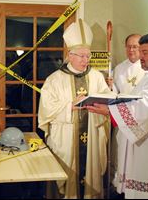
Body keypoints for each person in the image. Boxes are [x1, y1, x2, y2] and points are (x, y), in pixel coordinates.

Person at [87, 32, 148, 199]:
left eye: (145, 52)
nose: (140, 56)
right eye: (139, 51)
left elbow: (146, 107)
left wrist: (110, 110)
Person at [38, 18, 112, 199]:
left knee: (91, 172)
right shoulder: (54, 79)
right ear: (70, 55)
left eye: (88, 56)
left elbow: (107, 103)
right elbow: (46, 109)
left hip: (92, 138)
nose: (86, 60)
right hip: (66, 138)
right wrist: (70, 105)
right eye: (81, 56)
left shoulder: (96, 77)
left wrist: (106, 100)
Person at [107, 34, 147, 197]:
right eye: (129, 46)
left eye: (135, 46)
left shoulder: (147, 68)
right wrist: (111, 87)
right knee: (122, 153)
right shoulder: (119, 68)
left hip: (140, 120)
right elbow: (116, 94)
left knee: (138, 157)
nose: (131, 50)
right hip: (123, 119)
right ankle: (122, 188)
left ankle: (138, 186)